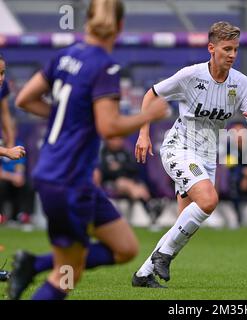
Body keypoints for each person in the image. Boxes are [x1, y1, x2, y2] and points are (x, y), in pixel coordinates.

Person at [7, 0, 168, 300]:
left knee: (126, 249)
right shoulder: (105, 66)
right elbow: (108, 127)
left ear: (87, 23)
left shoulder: (65, 55)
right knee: (68, 273)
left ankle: (33, 263)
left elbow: (24, 100)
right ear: (120, 27)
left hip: (65, 178)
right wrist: (149, 115)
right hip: (68, 181)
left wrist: (69, 119)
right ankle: (37, 267)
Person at [132, 21, 247, 287]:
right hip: (178, 148)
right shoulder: (191, 76)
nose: (232, 55)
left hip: (206, 157)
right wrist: (143, 134)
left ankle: (144, 274)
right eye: (227, 49)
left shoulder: (241, 83)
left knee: (183, 225)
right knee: (208, 201)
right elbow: (151, 95)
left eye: (236, 49)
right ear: (211, 48)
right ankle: (163, 256)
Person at [94, 136, 163, 225]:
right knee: (123, 183)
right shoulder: (104, 152)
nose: (118, 141)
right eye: (115, 139)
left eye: (120, 138)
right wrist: (117, 170)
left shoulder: (125, 152)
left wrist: (118, 167)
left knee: (139, 187)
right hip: (112, 183)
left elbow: (134, 168)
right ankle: (150, 206)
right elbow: (102, 171)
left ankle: (150, 208)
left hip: (129, 181)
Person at [0, 54, 26, 160]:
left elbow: (4, 113)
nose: (0, 78)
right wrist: (7, 151)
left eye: (2, 73)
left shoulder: (2, 87)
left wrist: (11, 142)